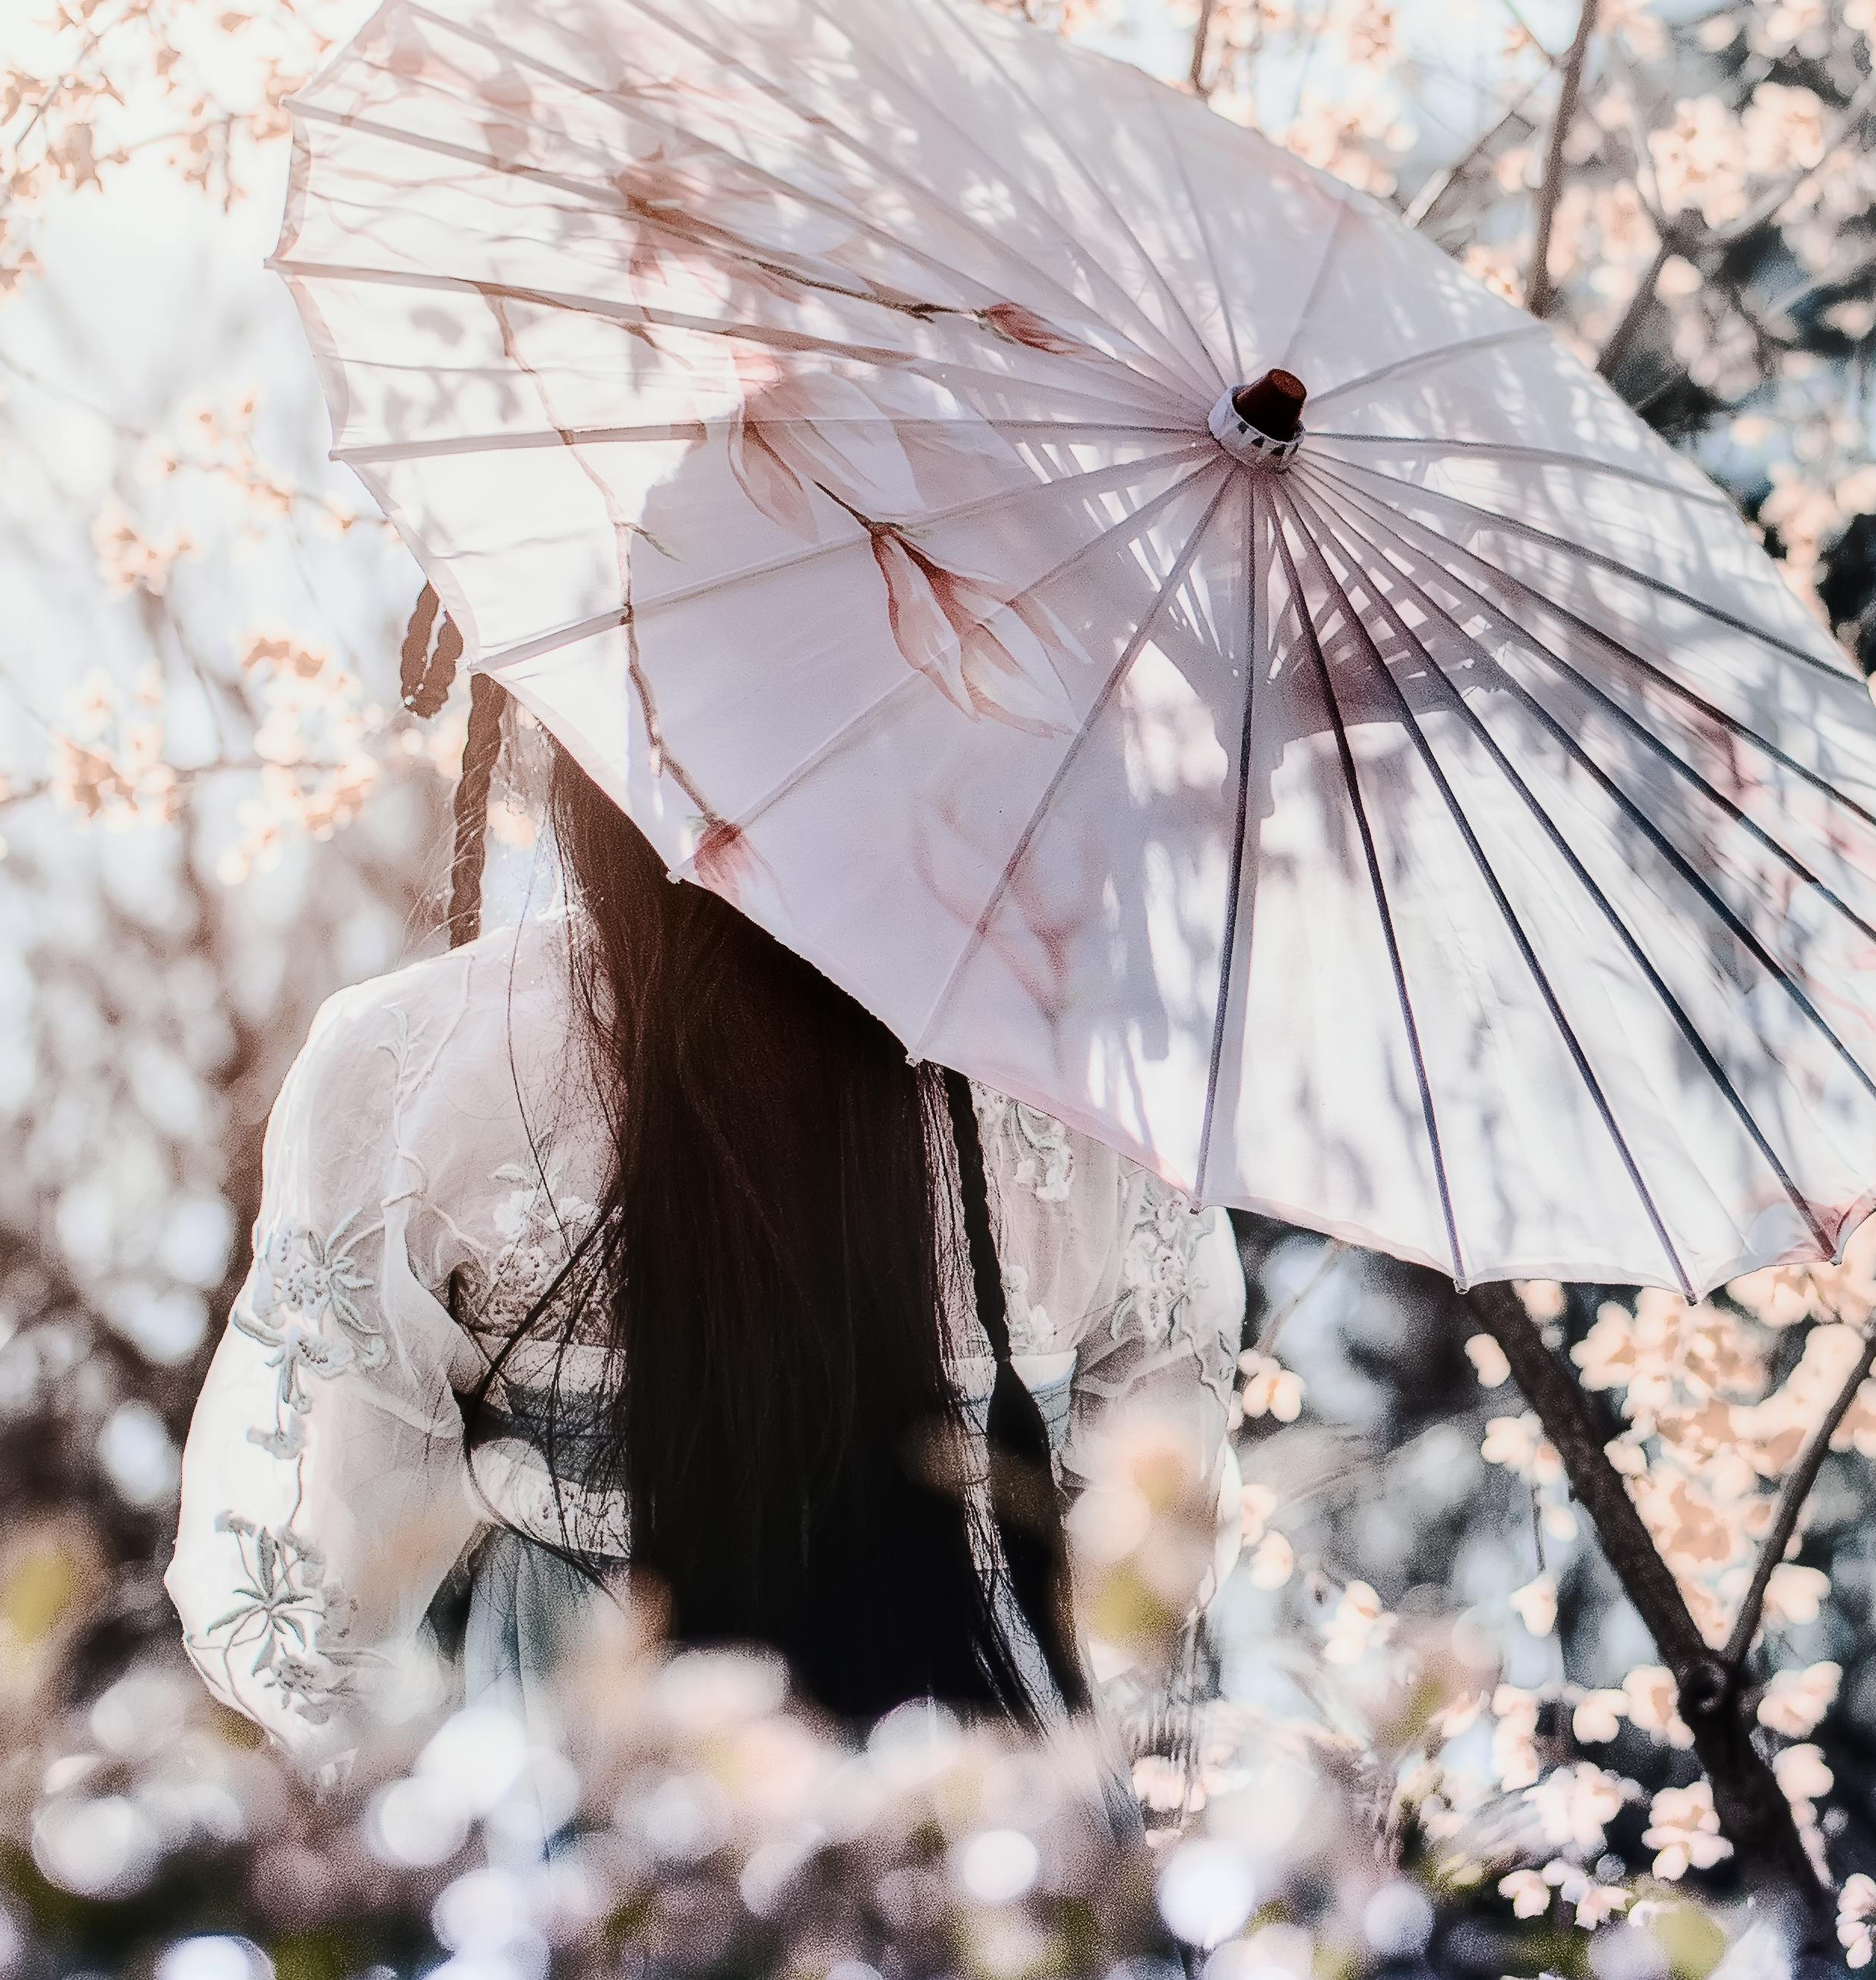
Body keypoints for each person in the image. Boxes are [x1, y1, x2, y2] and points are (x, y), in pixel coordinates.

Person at [165, 737, 1244, 1754]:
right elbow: (1151, 1576)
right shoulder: (1100, 1073)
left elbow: (316, 1619)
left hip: (590, 1842)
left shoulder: (420, 1061)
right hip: (999, 1843)